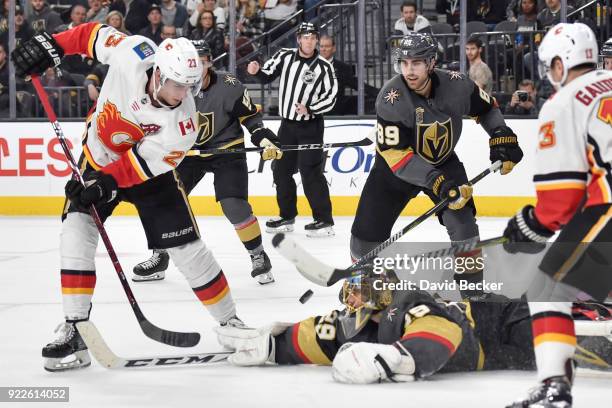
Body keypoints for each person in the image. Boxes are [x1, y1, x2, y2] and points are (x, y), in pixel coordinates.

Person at [11, 22, 245, 372]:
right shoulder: (133, 52)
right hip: (97, 159)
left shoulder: (184, 124)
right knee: (75, 232)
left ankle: (232, 326)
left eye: (189, 87)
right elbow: (90, 35)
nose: (184, 95)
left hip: (150, 175)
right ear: (159, 74)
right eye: (178, 86)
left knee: (187, 248)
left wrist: (104, 185)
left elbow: (138, 167)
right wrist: (51, 45)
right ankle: (76, 329)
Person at [350, 32, 523, 299]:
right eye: (404, 63)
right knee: (365, 236)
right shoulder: (390, 98)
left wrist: (500, 133)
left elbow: (487, 108)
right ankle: (366, 279)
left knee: (464, 223)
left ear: (431, 63)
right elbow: (398, 156)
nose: (409, 70)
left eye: (417, 63)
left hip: (443, 162)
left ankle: (472, 289)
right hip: (395, 170)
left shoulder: (458, 85)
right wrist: (436, 181)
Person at [215, 270, 612, 382]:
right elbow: (319, 336)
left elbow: (443, 331)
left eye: (365, 288)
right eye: (352, 294)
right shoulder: (355, 326)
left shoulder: (407, 302)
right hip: (500, 344)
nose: (356, 297)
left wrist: (398, 359)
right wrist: (274, 345)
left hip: (504, 320)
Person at [502, 23, 612, 408]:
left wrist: (527, 226)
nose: (549, 75)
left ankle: (555, 386)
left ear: (562, 64)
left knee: (548, 287)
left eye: (550, 66)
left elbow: (560, 200)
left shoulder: (564, 103)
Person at [132, 40, 282, 285]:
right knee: (165, 200)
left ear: (210, 63)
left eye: (202, 62)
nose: (196, 69)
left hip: (226, 150)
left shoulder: (229, 86)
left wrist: (263, 137)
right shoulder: (173, 85)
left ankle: (258, 255)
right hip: (187, 153)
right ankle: (160, 255)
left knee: (233, 204)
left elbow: (250, 116)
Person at [247, 22, 338, 237]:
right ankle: (286, 216)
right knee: (281, 170)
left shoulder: (324, 66)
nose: (309, 41)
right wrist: (256, 71)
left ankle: (324, 220)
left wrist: (311, 108)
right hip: (287, 125)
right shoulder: (285, 56)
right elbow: (267, 74)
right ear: (298, 39)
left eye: (313, 37)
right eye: (305, 37)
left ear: (316, 40)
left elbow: (331, 97)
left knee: (311, 172)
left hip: (311, 126)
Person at [319, 34, 378, 115]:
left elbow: (356, 84)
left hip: (334, 115)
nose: (323, 49)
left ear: (334, 48)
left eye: (327, 46)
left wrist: (380, 93)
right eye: (321, 46)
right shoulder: (309, 66)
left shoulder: (342, 67)